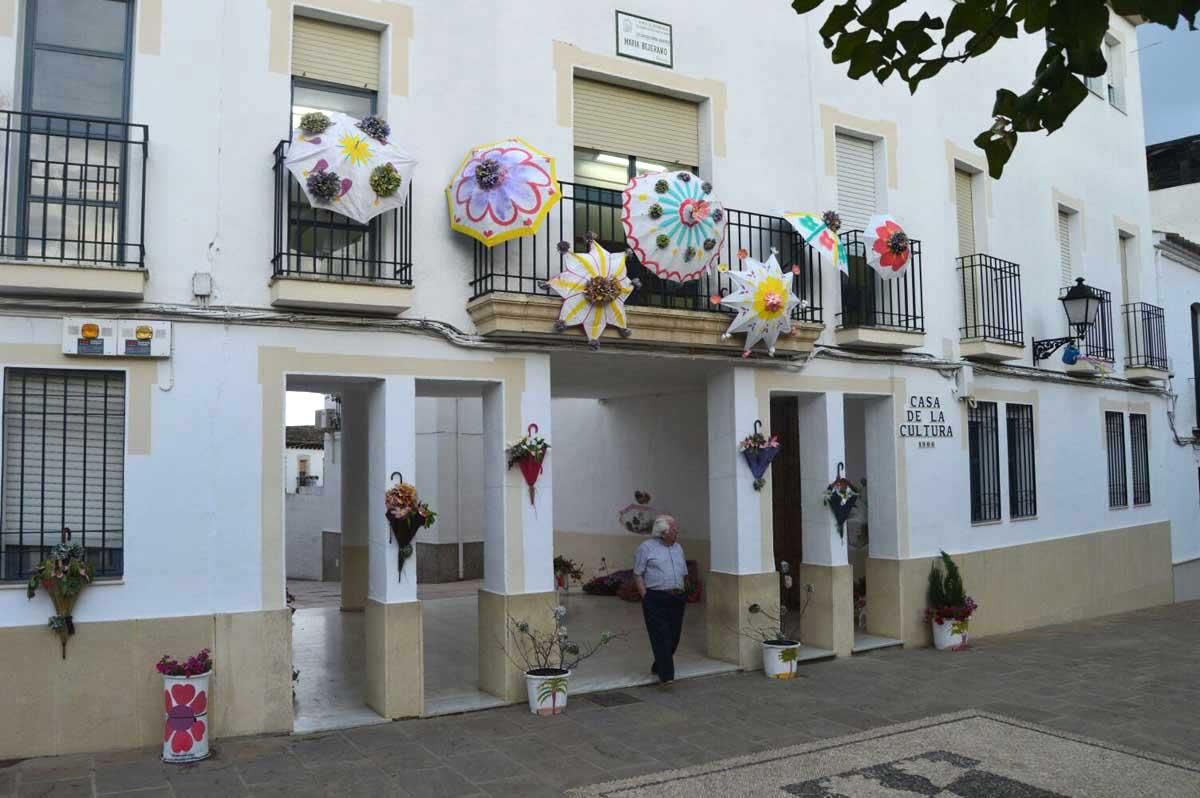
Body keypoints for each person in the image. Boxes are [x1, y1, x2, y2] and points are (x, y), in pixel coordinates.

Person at [633, 514, 688, 684]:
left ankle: (659, 664)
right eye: (673, 528)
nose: (677, 530)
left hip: (677, 598)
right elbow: (637, 574)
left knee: (674, 638)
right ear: (663, 532)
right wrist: (645, 596)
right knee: (660, 636)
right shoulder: (646, 548)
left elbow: (684, 573)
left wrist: (685, 592)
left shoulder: (678, 548)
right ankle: (667, 677)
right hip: (655, 598)